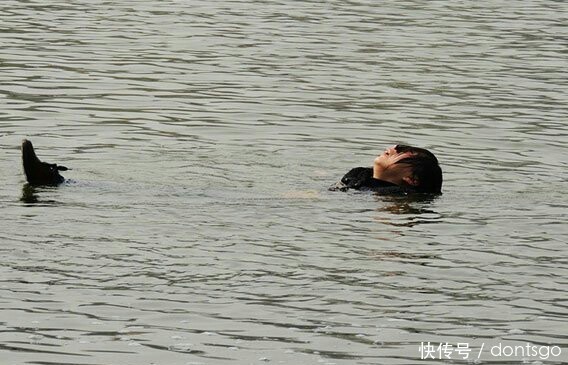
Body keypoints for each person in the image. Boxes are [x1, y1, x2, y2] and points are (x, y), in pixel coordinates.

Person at [330, 144, 443, 194]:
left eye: (403, 152)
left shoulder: (397, 195)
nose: (393, 148)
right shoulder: (358, 174)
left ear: (411, 179)